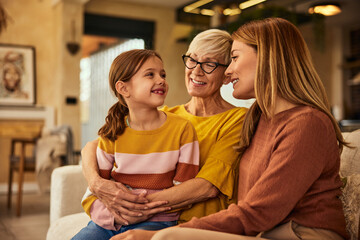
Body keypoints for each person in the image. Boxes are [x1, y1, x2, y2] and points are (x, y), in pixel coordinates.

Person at [110, 17, 349, 240]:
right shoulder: (259, 117)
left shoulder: (306, 123)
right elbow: (108, 141)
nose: (229, 71)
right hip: (264, 230)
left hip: (299, 233)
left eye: (233, 58)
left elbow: (258, 211)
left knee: (165, 238)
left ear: (267, 57)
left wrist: (159, 232)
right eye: (193, 60)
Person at [80, 29, 248, 228]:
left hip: (193, 224)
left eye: (210, 64)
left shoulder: (237, 119)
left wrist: (129, 207)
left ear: (226, 75)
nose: (196, 71)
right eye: (192, 60)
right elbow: (94, 146)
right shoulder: (167, 115)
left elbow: (207, 187)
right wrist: (97, 184)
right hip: (143, 218)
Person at [72, 49, 200, 240]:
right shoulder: (111, 133)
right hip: (110, 221)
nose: (161, 80)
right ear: (124, 89)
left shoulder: (183, 129)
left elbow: (183, 189)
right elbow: (98, 189)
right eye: (150, 74)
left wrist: (142, 210)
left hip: (158, 221)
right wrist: (113, 216)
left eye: (162, 74)